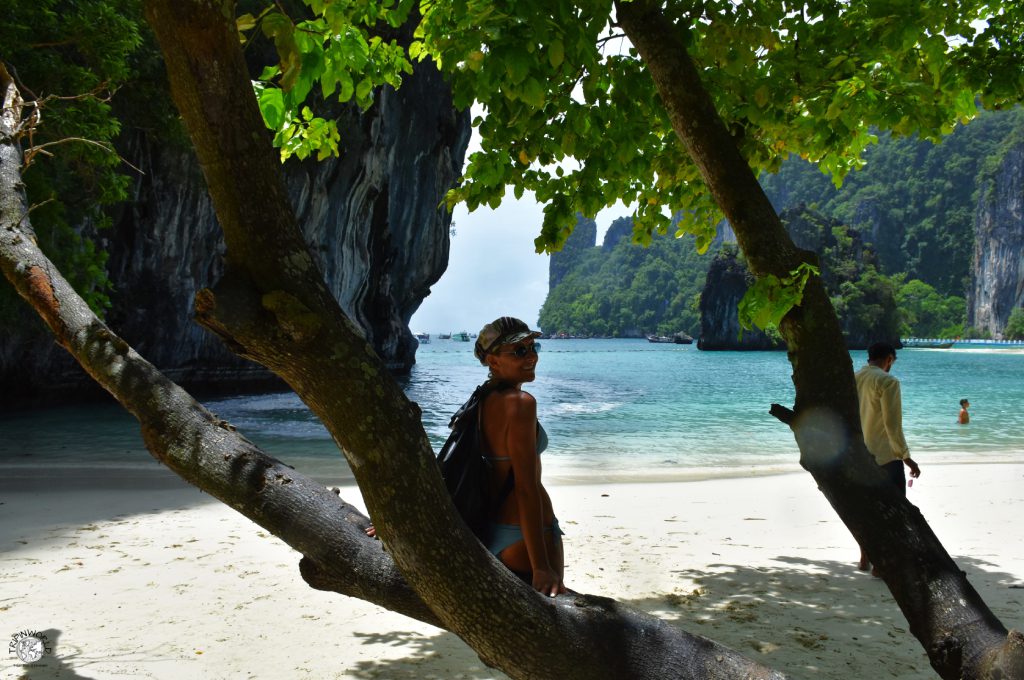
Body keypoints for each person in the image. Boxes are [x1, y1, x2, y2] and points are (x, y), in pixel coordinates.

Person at [474, 316, 566, 597]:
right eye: (519, 351)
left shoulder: (480, 400)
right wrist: (541, 567)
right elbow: (526, 488)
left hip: (490, 530)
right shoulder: (521, 404)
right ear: (493, 361)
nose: (532, 357)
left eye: (533, 347)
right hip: (527, 538)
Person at [854, 342, 922, 574]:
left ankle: (865, 558)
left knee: (865, 510)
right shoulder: (888, 381)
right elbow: (892, 425)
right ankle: (882, 564)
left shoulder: (855, 378)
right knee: (892, 512)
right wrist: (906, 457)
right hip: (885, 457)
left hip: (860, 455)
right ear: (890, 358)